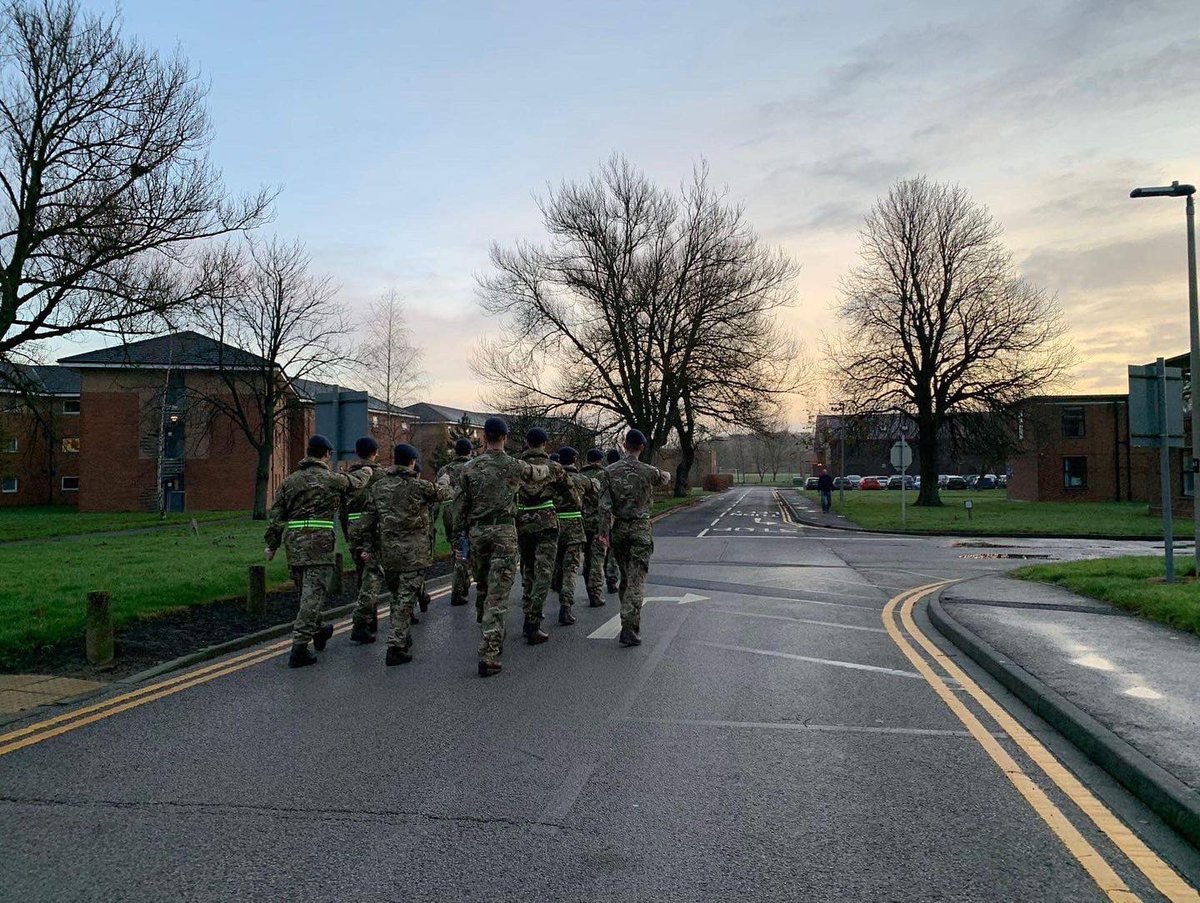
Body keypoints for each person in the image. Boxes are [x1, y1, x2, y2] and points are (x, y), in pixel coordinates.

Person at [455, 417, 552, 677]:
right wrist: (549, 467)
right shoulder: (513, 466)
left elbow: (460, 507)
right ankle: (489, 652)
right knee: (499, 593)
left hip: (477, 532)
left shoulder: (469, 468)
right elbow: (538, 473)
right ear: (505, 438)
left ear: (484, 438)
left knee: (485, 586)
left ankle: (487, 626)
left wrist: (460, 536)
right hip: (504, 532)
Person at [265, 434, 374, 668]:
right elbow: (356, 482)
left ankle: (319, 630)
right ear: (326, 454)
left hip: (294, 546)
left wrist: (271, 545)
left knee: (306, 593)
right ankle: (299, 648)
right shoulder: (330, 479)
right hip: (319, 545)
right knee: (312, 596)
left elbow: (276, 516)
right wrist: (367, 471)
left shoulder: (288, 482)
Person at [359, 443, 454, 665]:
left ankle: (401, 635)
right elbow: (443, 493)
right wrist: (445, 479)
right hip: (413, 553)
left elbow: (368, 521)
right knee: (406, 599)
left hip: (389, 553)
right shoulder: (418, 486)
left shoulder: (379, 487)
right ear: (412, 462)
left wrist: (368, 548)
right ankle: (395, 646)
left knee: (396, 596)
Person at [599, 430, 671, 647]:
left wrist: (603, 534)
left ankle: (626, 619)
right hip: (640, 528)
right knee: (636, 580)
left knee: (625, 578)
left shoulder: (609, 472)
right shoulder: (648, 471)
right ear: (641, 447)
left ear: (624, 444)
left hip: (619, 529)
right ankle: (629, 627)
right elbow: (665, 478)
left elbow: (604, 506)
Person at [516, 428, 566, 644]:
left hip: (523, 524)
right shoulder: (554, 468)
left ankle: (528, 611)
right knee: (544, 573)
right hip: (546, 524)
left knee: (528, 570)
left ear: (527, 442)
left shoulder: (516, 467)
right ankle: (533, 620)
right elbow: (571, 493)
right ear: (545, 444)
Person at [340, 436, 386, 644]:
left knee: (363, 575)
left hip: (353, 530)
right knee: (373, 575)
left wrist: (348, 532)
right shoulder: (381, 476)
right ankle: (361, 623)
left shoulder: (349, 478)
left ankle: (370, 621)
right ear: (375, 452)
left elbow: (342, 510)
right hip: (374, 531)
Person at [549, 446, 590, 625]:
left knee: (556, 563)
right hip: (574, 527)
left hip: (554, 525)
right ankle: (566, 606)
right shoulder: (581, 480)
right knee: (571, 568)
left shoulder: (551, 479)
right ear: (574, 460)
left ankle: (556, 588)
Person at [436, 437, 475, 607]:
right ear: (470, 451)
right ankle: (458, 588)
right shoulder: (473, 467)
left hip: (450, 514)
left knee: (458, 549)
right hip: (467, 513)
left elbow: (439, 493)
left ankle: (462, 580)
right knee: (466, 551)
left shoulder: (445, 470)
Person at [579, 447, 609, 608]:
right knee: (597, 558)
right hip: (599, 522)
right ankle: (595, 593)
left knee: (587, 558)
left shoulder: (580, 475)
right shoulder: (604, 476)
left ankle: (587, 586)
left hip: (582, 521)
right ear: (600, 460)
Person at [603, 447, 622, 594]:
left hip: (605, 517)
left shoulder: (605, 474)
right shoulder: (622, 474)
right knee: (615, 552)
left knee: (606, 551)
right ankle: (613, 579)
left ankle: (608, 578)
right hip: (620, 518)